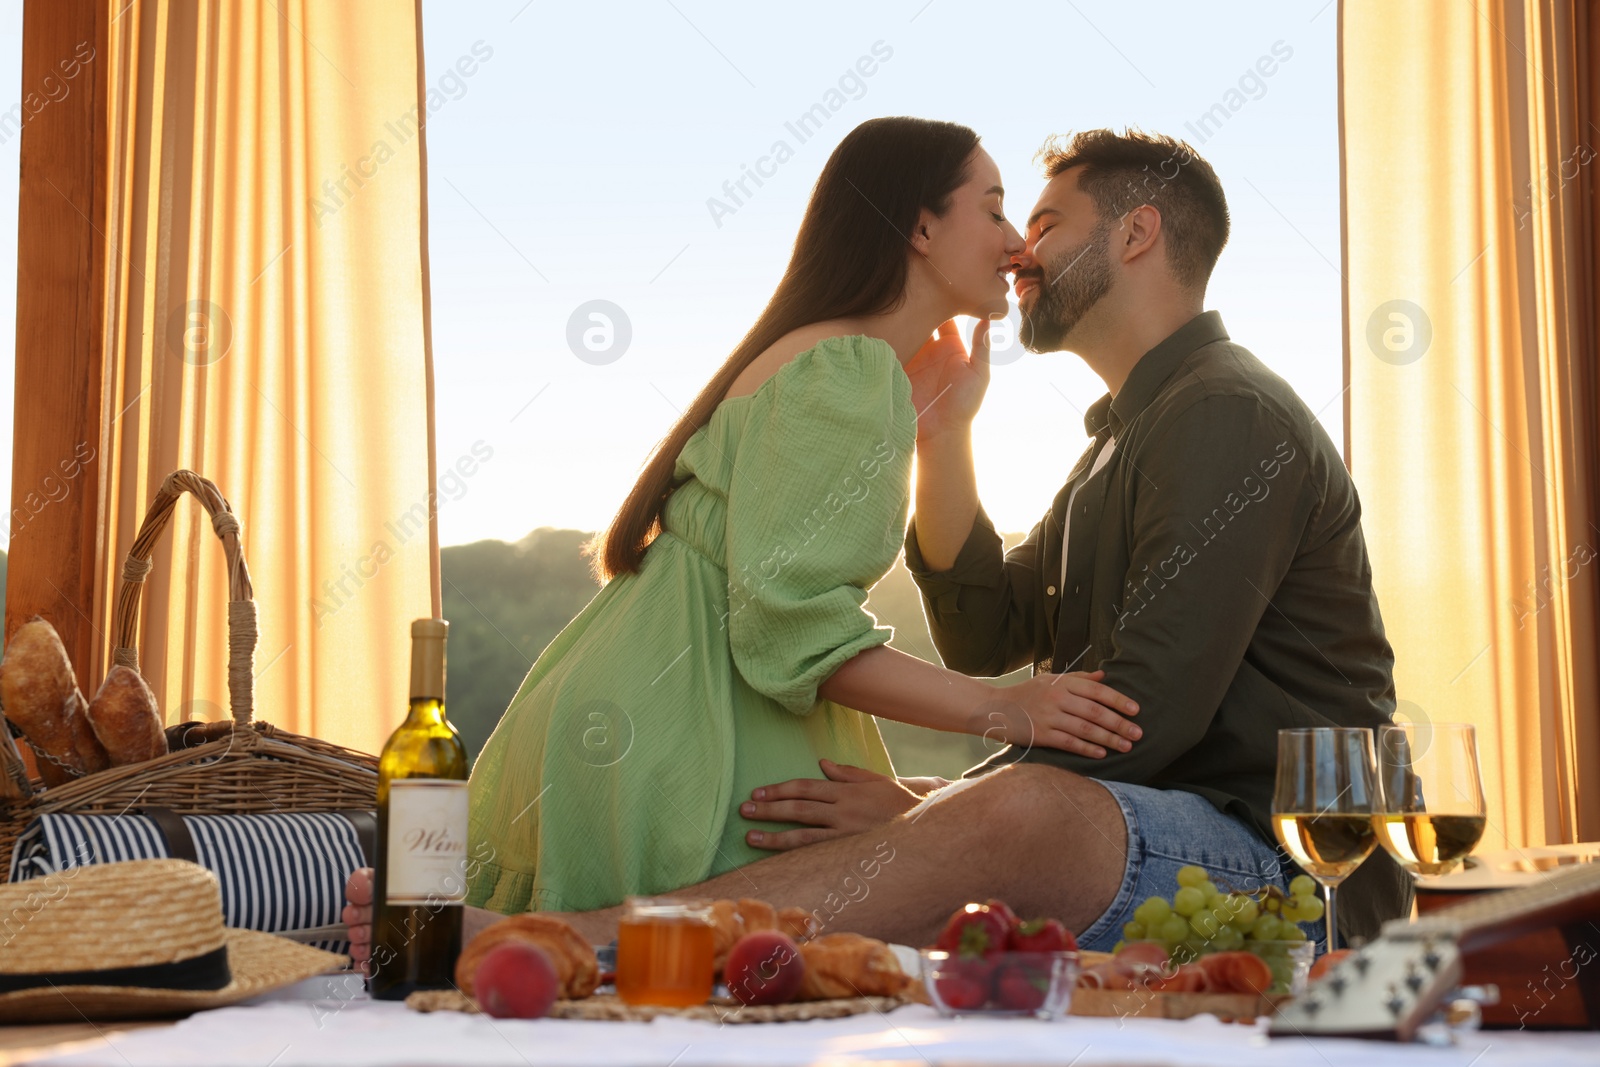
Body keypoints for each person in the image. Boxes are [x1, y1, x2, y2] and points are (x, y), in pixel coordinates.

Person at [345, 126, 1409, 966]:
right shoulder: (1126, 437)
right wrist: (947, 439)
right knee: (989, 804)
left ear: (1135, 235)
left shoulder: (1224, 414)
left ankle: (573, 936)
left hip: (1276, 861)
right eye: (1007, 218)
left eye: (1042, 220)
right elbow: (987, 624)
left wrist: (922, 807)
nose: (1022, 252)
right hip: (1158, 828)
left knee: (1023, 804)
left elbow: (1147, 713)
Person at [457, 116, 1143, 922]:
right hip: (695, 730)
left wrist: (942, 429)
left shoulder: (834, 357)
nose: (1015, 246)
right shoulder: (844, 370)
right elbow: (793, 631)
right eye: (993, 210)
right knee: (703, 994)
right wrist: (1007, 706)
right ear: (920, 226)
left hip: (647, 692)